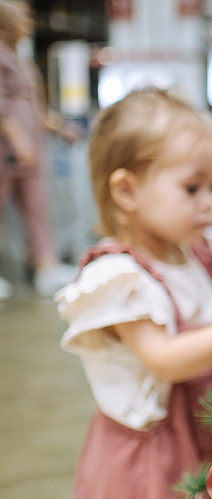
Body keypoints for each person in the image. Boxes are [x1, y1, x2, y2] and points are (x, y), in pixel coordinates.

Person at [55, 88, 212, 499]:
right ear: (127, 190)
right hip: (150, 458)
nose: (209, 202)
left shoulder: (202, 259)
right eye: (192, 187)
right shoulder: (121, 278)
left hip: (201, 435)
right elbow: (165, 359)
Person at [0, 0, 77, 298]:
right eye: (24, 19)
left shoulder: (19, 59)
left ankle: (47, 266)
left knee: (37, 208)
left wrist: (57, 126)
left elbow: (32, 107)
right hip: (8, 152)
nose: (28, 25)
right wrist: (18, 140)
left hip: (31, 153)